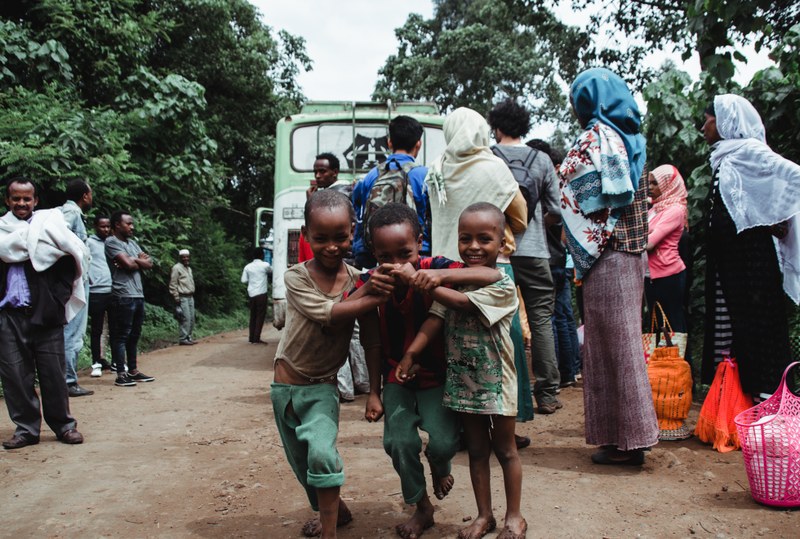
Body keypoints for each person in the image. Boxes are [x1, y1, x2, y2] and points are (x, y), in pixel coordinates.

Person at [359, 203, 501, 539]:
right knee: (398, 442)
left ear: (419, 243)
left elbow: (492, 275)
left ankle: (439, 466)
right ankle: (422, 507)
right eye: (385, 257)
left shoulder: (434, 267)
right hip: (396, 377)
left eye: (404, 254)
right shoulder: (373, 281)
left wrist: (436, 277)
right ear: (375, 254)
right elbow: (369, 339)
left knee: (444, 443)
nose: (396, 264)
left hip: (437, 376)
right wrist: (374, 392)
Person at [398, 203, 527, 539]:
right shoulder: (455, 283)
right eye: (465, 238)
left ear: (502, 243)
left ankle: (515, 517)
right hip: (463, 383)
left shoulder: (502, 284)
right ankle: (484, 515)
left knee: (505, 449)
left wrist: (428, 280)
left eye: (484, 239)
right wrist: (411, 354)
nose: (473, 246)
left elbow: (461, 304)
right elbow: (435, 319)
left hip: (498, 384)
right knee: (477, 451)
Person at [270, 189, 392, 539]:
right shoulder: (296, 277)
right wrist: (371, 294)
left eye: (340, 237)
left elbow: (371, 341)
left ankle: (329, 532)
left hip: (322, 387)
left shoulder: (359, 280)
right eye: (321, 238)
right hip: (285, 387)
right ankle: (337, 511)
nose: (331, 246)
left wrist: (374, 392)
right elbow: (330, 314)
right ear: (306, 235)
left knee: (322, 455)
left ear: (353, 231)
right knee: (302, 464)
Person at [558, 68, 658, 466]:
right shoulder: (632, 138)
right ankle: (625, 437)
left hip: (607, 254)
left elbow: (587, 197)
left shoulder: (597, 138)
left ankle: (630, 442)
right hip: (632, 254)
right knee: (620, 345)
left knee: (612, 349)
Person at [426, 106, 535, 443]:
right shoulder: (493, 167)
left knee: (455, 345)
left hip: (447, 267)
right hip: (491, 265)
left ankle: (460, 427)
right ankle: (505, 427)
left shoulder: (436, 168)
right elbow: (520, 215)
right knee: (500, 345)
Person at [700, 95, 800, 399]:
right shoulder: (724, 158)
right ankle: (741, 401)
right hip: (729, 264)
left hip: (751, 263)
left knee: (759, 327)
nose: (703, 127)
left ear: (725, 121)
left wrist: (774, 217)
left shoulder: (750, 152)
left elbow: (793, 177)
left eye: (708, 119)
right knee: (734, 328)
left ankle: (769, 400)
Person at [489, 100, 563, 414]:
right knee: (541, 319)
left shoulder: (489, 157)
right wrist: (533, 225)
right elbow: (557, 210)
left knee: (500, 320)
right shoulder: (543, 160)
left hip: (497, 251)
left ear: (496, 127)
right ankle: (546, 394)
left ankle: (507, 391)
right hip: (535, 251)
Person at [0, 177, 85, 449]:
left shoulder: (49, 228)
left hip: (46, 314)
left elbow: (72, 259)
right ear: (7, 200)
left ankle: (64, 426)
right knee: (15, 375)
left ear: (35, 201)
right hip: (9, 315)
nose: (21, 203)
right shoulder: (1, 231)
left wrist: (57, 299)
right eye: (16, 198)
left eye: (27, 198)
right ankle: (26, 430)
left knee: (54, 374)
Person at [352, 115, 431, 269]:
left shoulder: (371, 176)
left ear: (389, 143)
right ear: (418, 144)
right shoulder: (425, 175)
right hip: (418, 256)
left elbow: (360, 215)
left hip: (382, 258)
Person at [105, 211, 155, 387]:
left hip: (138, 294)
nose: (132, 227)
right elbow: (127, 265)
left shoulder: (132, 243)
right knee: (121, 335)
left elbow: (149, 263)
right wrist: (136, 261)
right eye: (128, 223)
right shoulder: (111, 242)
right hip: (123, 295)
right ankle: (121, 373)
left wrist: (133, 259)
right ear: (117, 225)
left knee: (134, 335)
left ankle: (133, 371)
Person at [645, 165, 689, 336]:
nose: (650, 187)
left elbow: (650, 243)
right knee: (657, 325)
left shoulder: (675, 210)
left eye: (655, 183)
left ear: (667, 185)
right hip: (652, 276)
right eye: (649, 183)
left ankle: (680, 355)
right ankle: (663, 355)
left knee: (673, 325)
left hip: (668, 275)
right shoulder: (656, 208)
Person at [60, 179, 94, 397]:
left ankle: (66, 379)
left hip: (78, 280)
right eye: (91, 194)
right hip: (75, 283)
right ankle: (68, 381)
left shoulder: (73, 213)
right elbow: (59, 239)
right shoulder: (71, 213)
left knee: (72, 331)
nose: (92, 198)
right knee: (73, 332)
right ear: (85, 196)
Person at [87, 215, 114, 376]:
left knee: (115, 328)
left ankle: (116, 362)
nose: (106, 229)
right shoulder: (89, 242)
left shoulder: (112, 243)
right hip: (96, 291)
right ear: (95, 227)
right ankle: (96, 362)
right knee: (96, 328)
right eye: (102, 226)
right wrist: (90, 279)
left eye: (108, 226)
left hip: (113, 290)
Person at [241, 247, 271, 344]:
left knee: (253, 315)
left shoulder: (248, 267)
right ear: (262, 255)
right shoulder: (265, 265)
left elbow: (243, 280)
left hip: (251, 294)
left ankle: (251, 338)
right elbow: (271, 272)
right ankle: (257, 338)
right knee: (260, 316)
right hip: (261, 294)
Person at [169, 248, 196, 345]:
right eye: (183, 257)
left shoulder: (189, 269)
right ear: (180, 258)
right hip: (182, 297)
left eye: (187, 257)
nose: (185, 259)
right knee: (185, 318)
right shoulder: (176, 268)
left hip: (190, 296)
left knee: (192, 318)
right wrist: (176, 297)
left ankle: (189, 337)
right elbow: (173, 284)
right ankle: (183, 338)